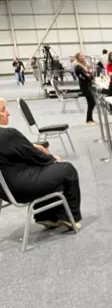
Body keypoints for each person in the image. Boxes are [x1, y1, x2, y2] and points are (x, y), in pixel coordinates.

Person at [0, 98, 82, 229]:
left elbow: (20, 150)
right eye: (3, 110)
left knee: (50, 172)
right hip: (22, 187)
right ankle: (70, 217)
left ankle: (46, 216)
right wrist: (52, 158)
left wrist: (32, 146)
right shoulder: (8, 134)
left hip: (5, 192)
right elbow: (36, 156)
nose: (8, 113)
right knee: (67, 170)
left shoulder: (6, 137)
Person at [73, 53, 96, 125]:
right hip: (85, 86)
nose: (83, 57)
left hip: (88, 85)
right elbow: (86, 75)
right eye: (81, 56)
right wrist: (91, 77)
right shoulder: (78, 66)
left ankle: (90, 119)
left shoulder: (83, 65)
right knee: (92, 102)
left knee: (91, 103)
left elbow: (89, 73)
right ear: (77, 57)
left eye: (83, 56)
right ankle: (89, 120)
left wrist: (91, 76)